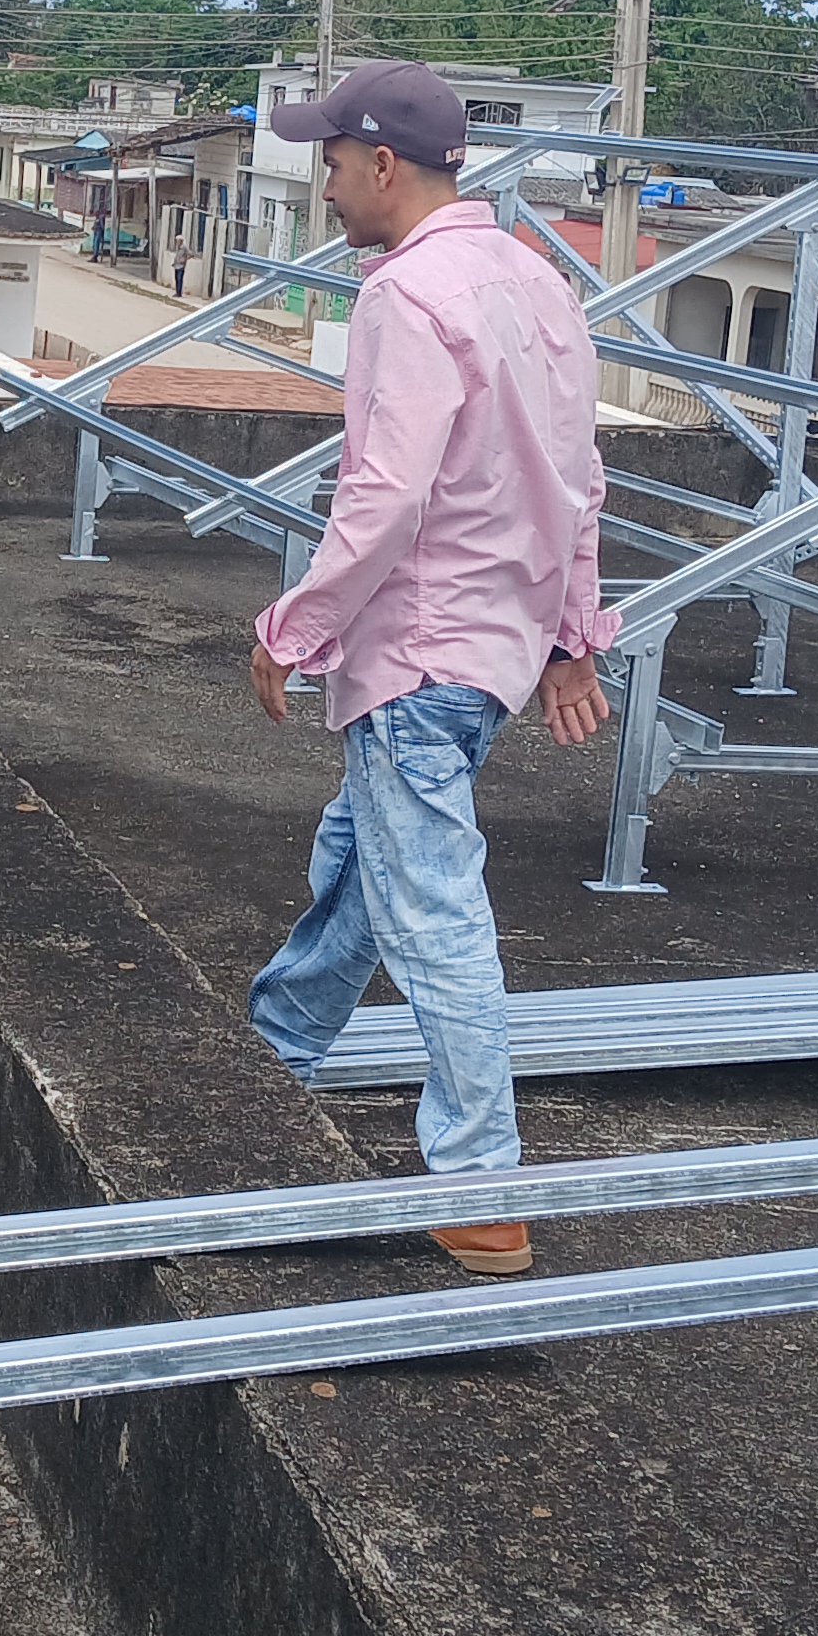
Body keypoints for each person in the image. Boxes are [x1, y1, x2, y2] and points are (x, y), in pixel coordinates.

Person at [238, 62, 619, 1279]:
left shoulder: (407, 297)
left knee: (432, 912)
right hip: (494, 652)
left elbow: (385, 496)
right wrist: (569, 636)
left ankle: (481, 1185)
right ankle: (276, 1051)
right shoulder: (533, 279)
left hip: (417, 652)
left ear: (382, 163)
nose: (329, 180)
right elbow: (579, 479)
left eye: (334, 161)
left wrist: (290, 628)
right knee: (365, 868)